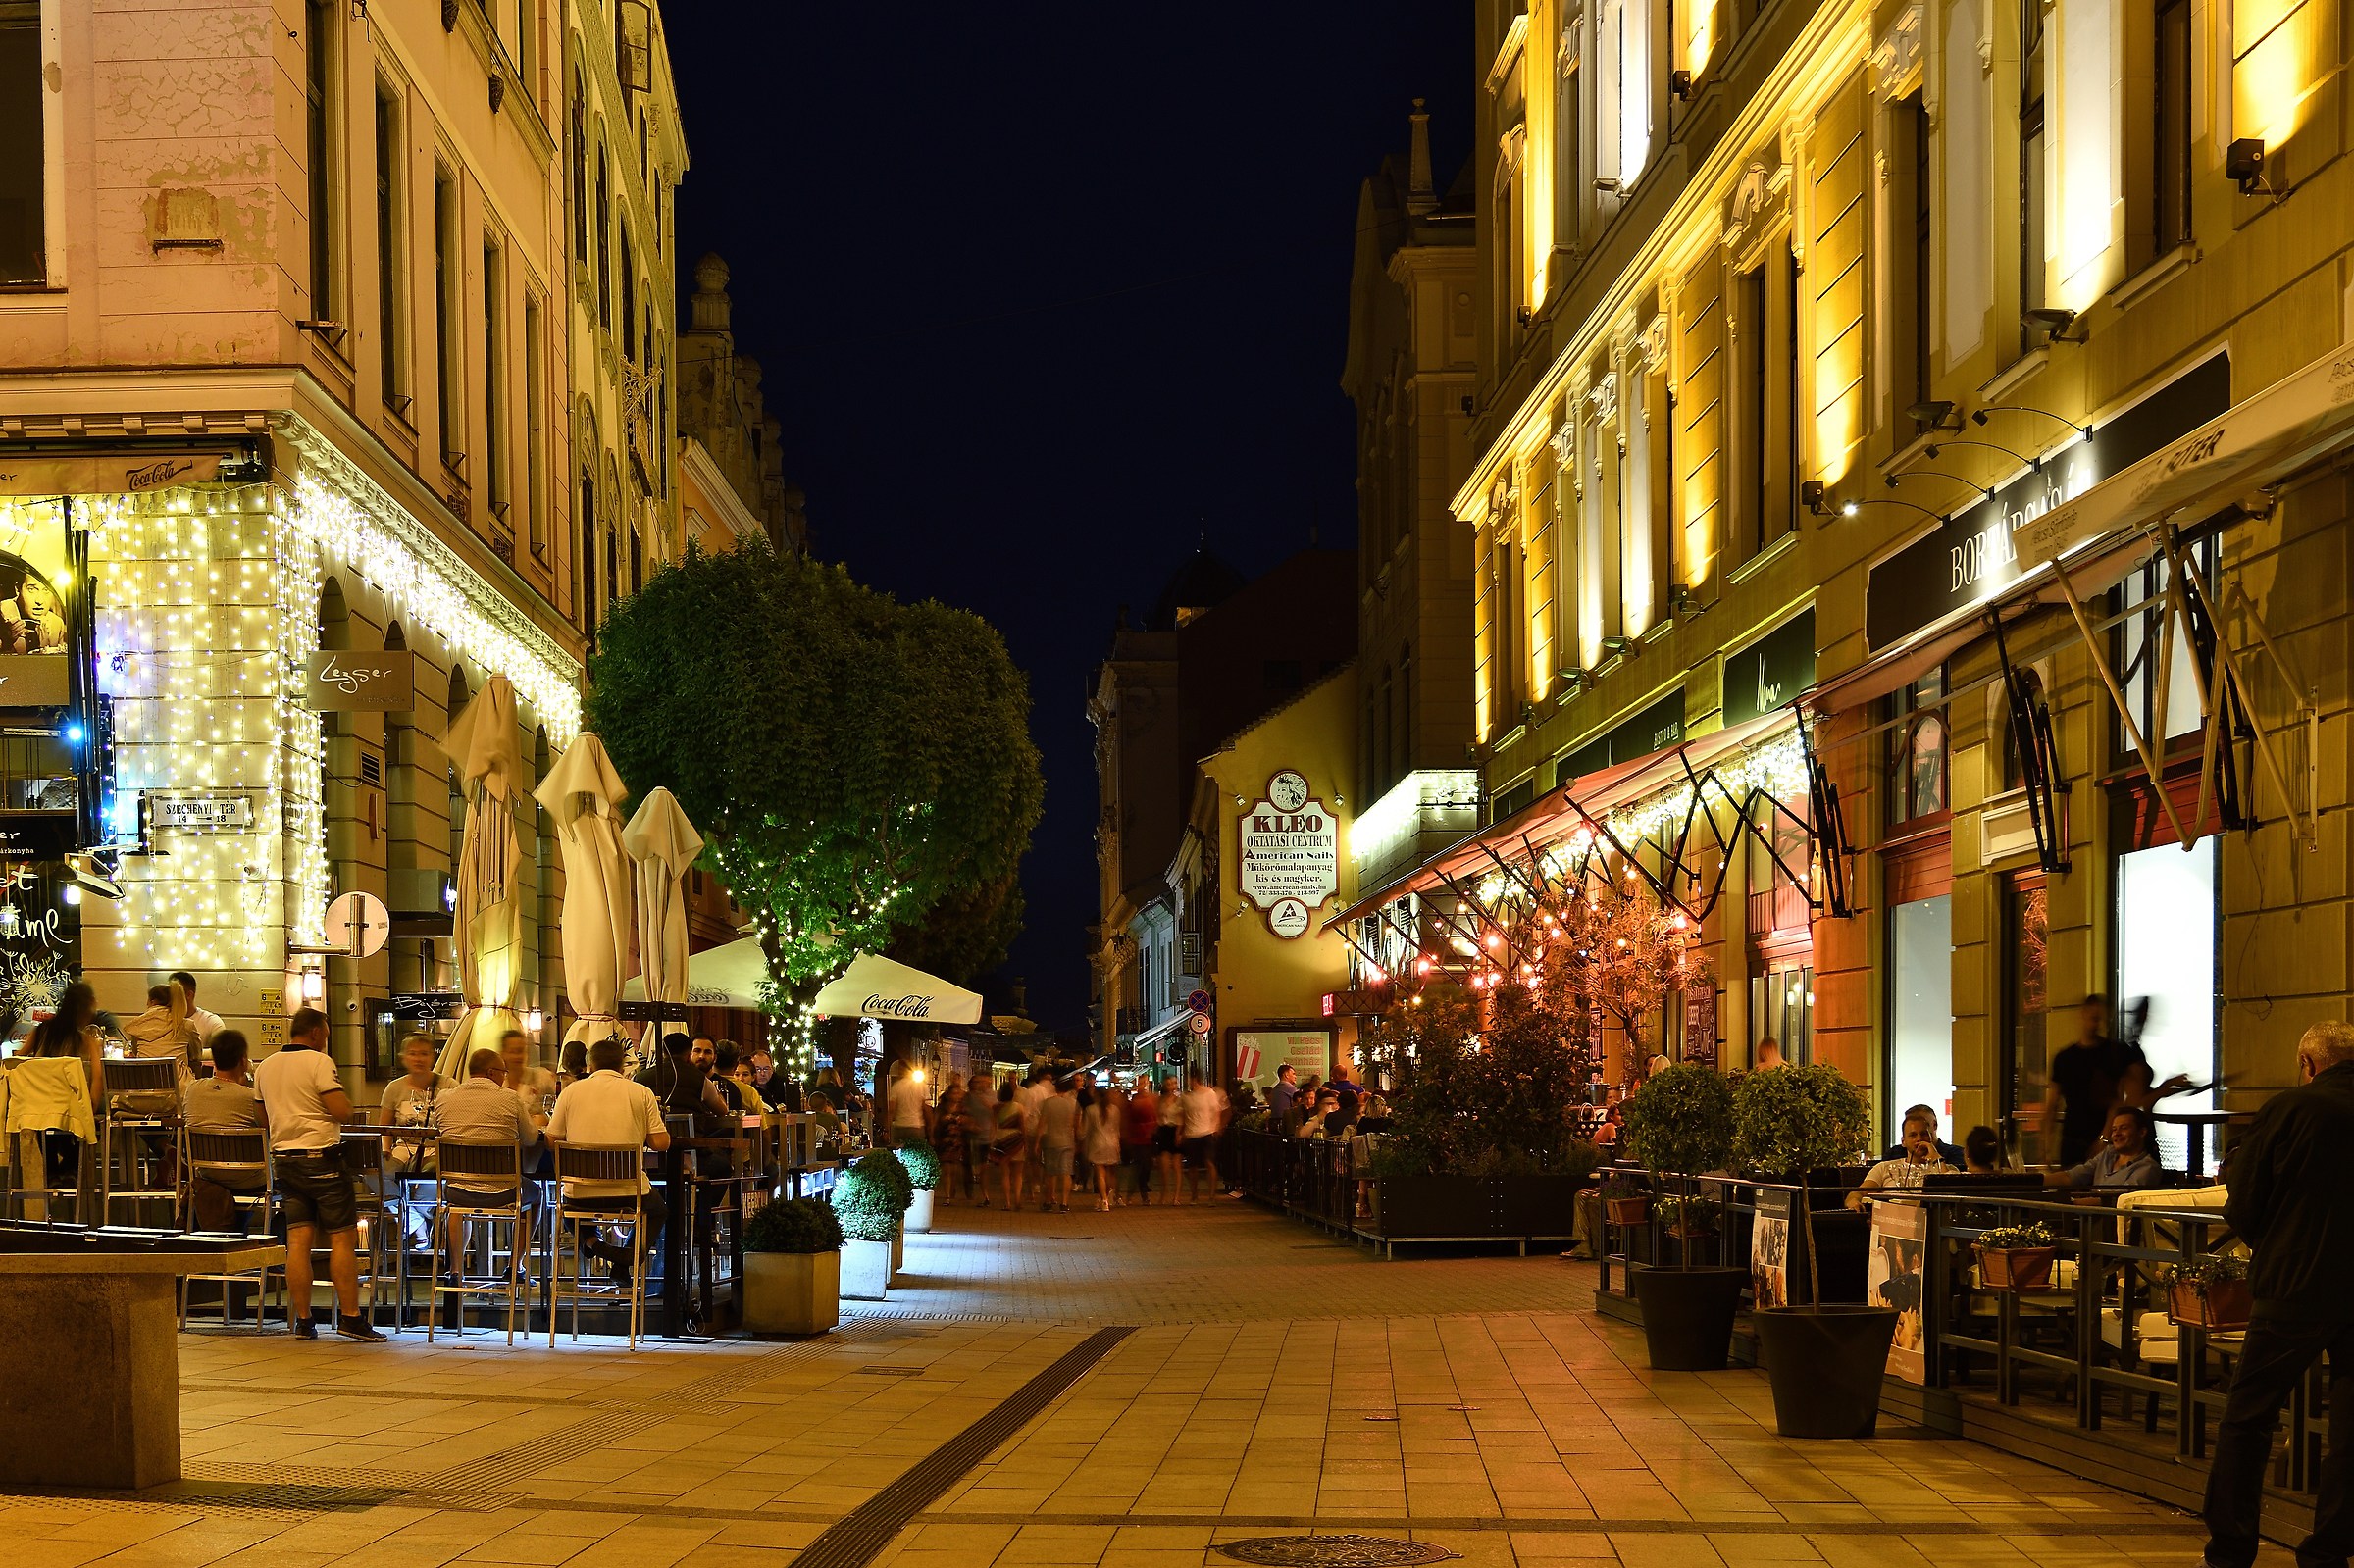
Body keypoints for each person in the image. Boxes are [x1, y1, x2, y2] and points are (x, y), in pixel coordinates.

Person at [2200, 1020, 2354, 1568]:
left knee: (2249, 1418)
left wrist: (2277, 1240)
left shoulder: (2292, 1109)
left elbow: (2243, 1202)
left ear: (2309, 1065)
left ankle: (2232, 1548)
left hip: (2296, 1288)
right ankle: (2330, 1551)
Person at [253, 1008, 384, 1341]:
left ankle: (304, 1320)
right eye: (325, 1035)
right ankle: (351, 1318)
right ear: (314, 1033)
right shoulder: (319, 1063)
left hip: (284, 1160)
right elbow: (341, 1111)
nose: (325, 1041)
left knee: (298, 1241)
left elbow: (261, 1118)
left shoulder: (265, 1066)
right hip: (322, 1161)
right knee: (342, 1238)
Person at [547, 1037, 671, 1289]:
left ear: (589, 1064)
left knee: (570, 1209)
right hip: (628, 1194)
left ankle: (598, 1246)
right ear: (623, 1066)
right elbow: (660, 1144)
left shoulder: (570, 1092)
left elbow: (552, 1139)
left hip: (580, 1193)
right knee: (659, 1210)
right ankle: (625, 1258)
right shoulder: (641, 1093)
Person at [2042, 994, 2188, 1169]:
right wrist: (2045, 1145)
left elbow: (2126, 1100)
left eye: (2100, 1019)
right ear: (2083, 1014)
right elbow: (2052, 1104)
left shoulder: (2116, 1054)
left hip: (2105, 1137)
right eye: (2094, 1018)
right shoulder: (2068, 1058)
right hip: (2079, 1137)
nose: (2097, 1024)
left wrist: (2104, 1138)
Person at [435, 1046, 542, 1277]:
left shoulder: (444, 1098)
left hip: (457, 1191)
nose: (505, 1077)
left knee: (456, 1203)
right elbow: (531, 1138)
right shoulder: (510, 1098)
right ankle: (516, 1265)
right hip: (504, 1191)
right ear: (492, 1072)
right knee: (536, 1195)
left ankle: (455, 1270)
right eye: (503, 1072)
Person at [8, 983, 103, 1216]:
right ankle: (70, 1168)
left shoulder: (41, 1031)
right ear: (84, 1011)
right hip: (70, 1112)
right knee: (84, 1125)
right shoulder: (85, 1040)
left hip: (38, 1112)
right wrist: (92, 1104)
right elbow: (99, 1076)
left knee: (46, 1123)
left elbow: (18, 1061)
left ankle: (52, 1173)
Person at [182, 1030, 266, 1232]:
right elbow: (269, 1127)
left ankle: (232, 1238)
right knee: (290, 1188)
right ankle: (278, 1255)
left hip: (208, 1174)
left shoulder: (193, 1091)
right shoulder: (250, 1098)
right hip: (248, 1179)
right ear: (243, 1061)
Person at [2044, 1105, 2164, 1190]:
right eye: (2114, 1129)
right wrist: (2034, 1180)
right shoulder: (2108, 1154)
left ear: (2142, 1132)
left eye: (2124, 1128)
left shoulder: (2148, 1167)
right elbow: (2072, 1176)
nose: (2116, 1134)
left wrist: (2072, 1203)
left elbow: (2118, 1200)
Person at [379, 1034, 447, 1180]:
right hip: (404, 1148)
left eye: (424, 1054)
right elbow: (385, 1126)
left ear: (432, 1057)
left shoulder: (447, 1085)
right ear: (404, 1058)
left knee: (431, 1171)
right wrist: (386, 1149)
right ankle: (397, 1200)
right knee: (379, 1172)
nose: (418, 1059)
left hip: (436, 1149)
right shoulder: (394, 1088)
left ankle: (419, 1201)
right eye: (413, 1054)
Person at [1849, 1118, 1959, 1208]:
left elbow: (1955, 1194)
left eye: (1924, 1134)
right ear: (1903, 1142)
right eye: (1913, 1135)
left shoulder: (1947, 1168)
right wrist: (1853, 1201)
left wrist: (1937, 1158)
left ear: (1931, 1138)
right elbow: (1858, 1193)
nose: (1919, 1138)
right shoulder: (1884, 1167)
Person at [125, 980, 201, 1074]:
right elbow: (197, 1055)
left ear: (152, 1002)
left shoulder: (138, 1026)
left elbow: (135, 1053)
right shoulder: (185, 1025)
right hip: (180, 1085)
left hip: (145, 1084)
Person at [1179, 1074, 1228, 1201]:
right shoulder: (1186, 1097)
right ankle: (1194, 1194)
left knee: (1209, 1162)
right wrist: (1181, 1132)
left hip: (1207, 1132)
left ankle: (1211, 1196)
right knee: (1192, 1166)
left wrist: (1216, 1126)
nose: (1191, 1083)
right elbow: (1183, 1115)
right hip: (1191, 1133)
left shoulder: (1209, 1094)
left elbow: (1216, 1111)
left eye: (1192, 1081)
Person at [1035, 1075, 1079, 1213]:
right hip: (1067, 1142)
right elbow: (1076, 1124)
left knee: (1050, 1173)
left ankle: (1048, 1201)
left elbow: (1042, 1124)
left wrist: (1037, 1142)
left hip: (1051, 1141)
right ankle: (1064, 1203)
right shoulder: (1073, 1104)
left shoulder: (1048, 1103)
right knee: (1066, 1173)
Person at [1880, 1104, 1966, 1167]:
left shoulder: (1956, 1154)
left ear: (1934, 1125)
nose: (1919, 1138)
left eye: (1924, 1123)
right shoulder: (1893, 1154)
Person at [987, 1081, 1028, 1208]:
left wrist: (992, 1143)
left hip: (1001, 1140)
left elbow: (993, 1126)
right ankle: (1017, 1199)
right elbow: (1022, 1126)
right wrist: (1025, 1142)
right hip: (1016, 1139)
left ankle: (1007, 1203)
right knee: (1018, 1173)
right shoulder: (1019, 1107)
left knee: (1005, 1173)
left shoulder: (995, 1108)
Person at [1082, 1082, 1122, 1211]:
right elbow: (1117, 1128)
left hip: (1097, 1143)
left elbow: (1085, 1130)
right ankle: (1110, 1196)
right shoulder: (1115, 1110)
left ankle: (1104, 1200)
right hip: (1112, 1143)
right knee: (1111, 1172)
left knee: (1100, 1173)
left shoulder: (1090, 1110)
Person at [1121, 1078, 1159, 1203]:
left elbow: (1155, 1116)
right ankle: (1139, 1193)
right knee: (1139, 1165)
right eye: (1140, 1083)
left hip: (1147, 1137)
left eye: (1144, 1083)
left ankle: (1137, 1192)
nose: (1142, 1085)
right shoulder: (1136, 1100)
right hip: (1138, 1138)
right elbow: (1130, 1118)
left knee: (1145, 1166)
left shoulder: (1151, 1099)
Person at [170, 971, 227, 1051]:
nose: (169, 998)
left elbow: (223, 1051)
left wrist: (184, 1055)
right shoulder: (162, 1020)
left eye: (175, 994)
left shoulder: (210, 1021)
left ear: (189, 995)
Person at [961, 1073, 996, 1203]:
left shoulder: (991, 1096)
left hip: (986, 1136)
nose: (980, 1084)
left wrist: (993, 1133)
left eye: (982, 1082)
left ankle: (985, 1195)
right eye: (977, 1082)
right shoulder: (968, 1097)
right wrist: (970, 1124)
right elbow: (963, 1113)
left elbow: (995, 1114)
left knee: (984, 1167)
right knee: (971, 1165)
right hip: (971, 1135)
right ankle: (972, 1189)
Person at [1154, 1073, 1185, 1197]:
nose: (1171, 1086)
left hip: (1175, 1130)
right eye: (1168, 1084)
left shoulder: (1180, 1100)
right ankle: (1164, 1192)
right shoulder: (1160, 1100)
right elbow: (1157, 1116)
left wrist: (1179, 1133)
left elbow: (1182, 1118)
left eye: (1173, 1083)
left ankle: (1176, 1196)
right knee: (1164, 1166)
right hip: (1164, 1130)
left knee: (1177, 1165)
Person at [887, 1058, 928, 1146]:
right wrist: (931, 1132)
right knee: (917, 1154)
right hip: (916, 1126)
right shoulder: (922, 1086)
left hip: (900, 1126)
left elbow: (891, 1110)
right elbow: (927, 1109)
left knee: (898, 1154)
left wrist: (887, 1130)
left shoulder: (896, 1086)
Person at [1265, 1063, 1298, 1131]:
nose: (1295, 1076)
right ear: (1286, 1075)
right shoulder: (1291, 1088)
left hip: (1274, 1126)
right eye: (1293, 1073)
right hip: (1286, 1126)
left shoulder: (1275, 1089)